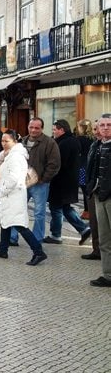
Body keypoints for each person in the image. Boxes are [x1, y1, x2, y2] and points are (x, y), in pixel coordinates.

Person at [0, 130, 47, 266]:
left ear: (15, 141)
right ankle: (3, 249)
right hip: (9, 195)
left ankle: (38, 251)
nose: (3, 144)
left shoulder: (15, 156)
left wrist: (3, 190)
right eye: (2, 141)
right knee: (5, 221)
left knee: (19, 224)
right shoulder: (6, 155)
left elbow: (14, 177)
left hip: (13, 194)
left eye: (7, 141)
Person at [9, 118, 61, 245]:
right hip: (22, 183)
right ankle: (12, 238)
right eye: (31, 127)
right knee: (17, 209)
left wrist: (43, 179)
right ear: (28, 126)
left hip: (40, 184)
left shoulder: (49, 143)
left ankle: (37, 238)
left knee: (39, 212)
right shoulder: (22, 141)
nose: (33, 130)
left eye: (37, 128)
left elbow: (54, 164)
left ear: (42, 129)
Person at [44, 120, 91, 245]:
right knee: (65, 207)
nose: (53, 132)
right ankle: (84, 229)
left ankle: (56, 235)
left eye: (55, 129)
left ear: (62, 130)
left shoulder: (64, 143)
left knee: (55, 207)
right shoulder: (73, 140)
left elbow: (59, 163)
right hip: (70, 180)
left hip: (61, 181)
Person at [85, 114, 111, 286]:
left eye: (109, 124)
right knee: (104, 238)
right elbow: (90, 168)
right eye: (102, 125)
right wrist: (89, 187)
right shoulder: (96, 145)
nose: (105, 127)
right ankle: (108, 275)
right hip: (98, 194)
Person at [82, 121, 102, 260]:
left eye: (98, 128)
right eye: (95, 129)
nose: (97, 131)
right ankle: (97, 250)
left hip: (103, 190)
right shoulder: (94, 145)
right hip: (92, 189)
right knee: (94, 222)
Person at [76, 119, 95, 220]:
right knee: (90, 190)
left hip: (82, 166)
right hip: (91, 166)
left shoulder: (79, 139)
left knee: (85, 190)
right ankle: (90, 210)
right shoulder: (94, 138)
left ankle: (87, 211)